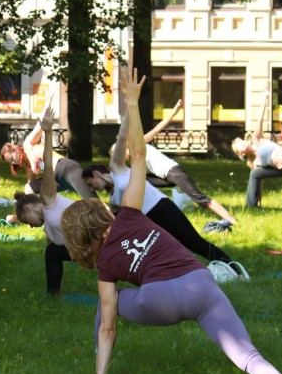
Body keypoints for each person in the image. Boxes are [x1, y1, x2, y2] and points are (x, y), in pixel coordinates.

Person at [61, 66, 282, 374]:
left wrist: (99, 373)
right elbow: (139, 158)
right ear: (100, 214)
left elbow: (108, 326)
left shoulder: (106, 266)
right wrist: (133, 106)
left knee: (111, 304)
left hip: (159, 301)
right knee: (248, 357)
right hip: (202, 285)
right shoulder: (132, 213)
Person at [82, 112, 234, 265]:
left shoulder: (117, 169)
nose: (92, 188)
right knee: (172, 251)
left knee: (193, 242)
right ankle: (192, 273)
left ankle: (230, 265)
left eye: (90, 183)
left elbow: (122, 137)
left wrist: (130, 107)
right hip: (149, 222)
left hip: (162, 208)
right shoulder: (113, 199)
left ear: (96, 174)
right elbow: (114, 224)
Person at [138, 99, 237, 225]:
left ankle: (231, 220)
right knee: (140, 182)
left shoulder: (139, 145)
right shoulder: (136, 159)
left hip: (174, 172)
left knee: (200, 199)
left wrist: (174, 112)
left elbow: (158, 128)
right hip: (167, 177)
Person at [11, 104, 73, 295]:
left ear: (28, 209)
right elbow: (54, 263)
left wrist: (47, 132)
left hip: (101, 240)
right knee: (52, 253)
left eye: (25, 221)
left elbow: (47, 167)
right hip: (90, 247)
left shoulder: (47, 200)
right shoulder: (48, 227)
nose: (29, 226)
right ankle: (54, 296)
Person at [0, 97, 96, 200]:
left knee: (93, 201)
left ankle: (111, 213)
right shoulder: (28, 166)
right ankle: (40, 212)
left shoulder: (28, 145)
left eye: (12, 158)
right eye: (11, 162)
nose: (14, 162)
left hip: (66, 169)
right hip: (57, 180)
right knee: (29, 188)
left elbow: (39, 125)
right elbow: (31, 187)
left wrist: (48, 102)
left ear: (16, 148)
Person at [232, 89, 282, 207]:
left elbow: (260, 119)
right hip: (280, 168)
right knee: (254, 174)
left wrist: (264, 100)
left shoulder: (257, 139)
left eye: (241, 143)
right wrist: (259, 200)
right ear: (242, 154)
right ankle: (252, 205)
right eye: (239, 147)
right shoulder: (255, 163)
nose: (243, 145)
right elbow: (260, 182)